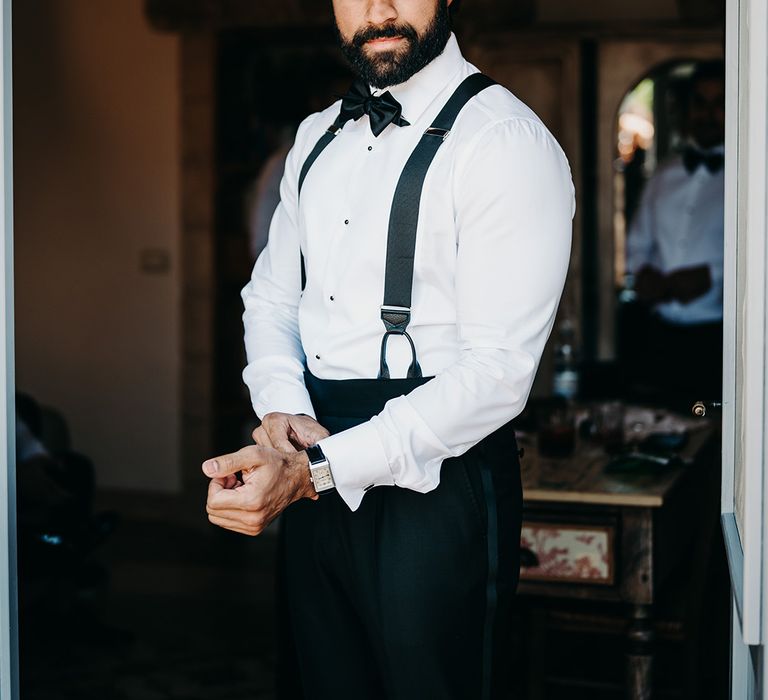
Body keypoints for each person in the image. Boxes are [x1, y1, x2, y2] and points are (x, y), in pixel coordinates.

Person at [203, 0, 574, 697]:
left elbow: (497, 374)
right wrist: (282, 411)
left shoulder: (505, 141)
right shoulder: (315, 136)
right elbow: (272, 299)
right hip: (313, 459)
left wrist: (316, 470)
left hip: (440, 482)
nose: (378, 10)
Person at [625, 61, 725, 404]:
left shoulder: (750, 177)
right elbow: (638, 243)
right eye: (700, 102)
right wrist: (643, 271)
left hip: (721, 338)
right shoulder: (663, 176)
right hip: (660, 335)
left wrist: (715, 275)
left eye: (719, 104)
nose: (708, 114)